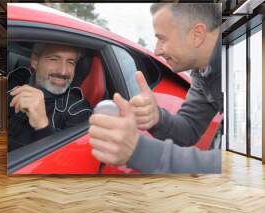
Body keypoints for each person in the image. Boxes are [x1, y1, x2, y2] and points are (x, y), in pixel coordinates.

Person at [88, 3, 223, 173]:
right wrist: (156, 118)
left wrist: (139, 151)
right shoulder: (203, 73)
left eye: (162, 38)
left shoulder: (255, 58)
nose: (157, 50)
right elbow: (189, 128)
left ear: (197, 35)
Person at [8, 43, 91, 152]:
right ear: (35, 61)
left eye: (71, 62)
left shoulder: (78, 111)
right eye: (54, 59)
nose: (63, 72)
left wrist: (42, 125)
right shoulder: (15, 79)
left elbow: (67, 163)